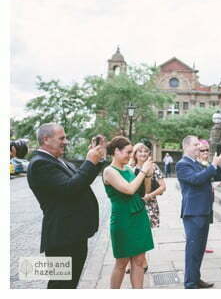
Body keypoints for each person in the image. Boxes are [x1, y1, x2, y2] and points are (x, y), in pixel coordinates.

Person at [26, 123, 106, 288]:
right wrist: (89, 162)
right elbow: (70, 189)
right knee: (60, 286)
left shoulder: (57, 160)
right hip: (62, 237)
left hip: (74, 234)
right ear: (46, 139)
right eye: (62, 138)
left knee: (71, 284)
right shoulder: (40, 164)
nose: (66, 142)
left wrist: (95, 160)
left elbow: (81, 181)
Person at [102, 136, 156, 288]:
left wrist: (148, 174)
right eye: (128, 152)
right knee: (122, 262)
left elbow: (144, 192)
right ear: (116, 151)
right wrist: (143, 170)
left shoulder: (127, 168)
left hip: (139, 216)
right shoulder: (109, 171)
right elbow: (129, 189)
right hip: (123, 220)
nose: (131, 155)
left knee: (139, 261)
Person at [176, 135, 221, 289]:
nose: (199, 147)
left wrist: (220, 165)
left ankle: (195, 278)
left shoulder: (197, 163)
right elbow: (196, 179)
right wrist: (212, 165)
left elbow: (216, 176)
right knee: (193, 249)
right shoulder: (182, 164)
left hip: (204, 210)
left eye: (199, 144)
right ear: (186, 146)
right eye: (196, 144)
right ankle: (190, 283)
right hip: (193, 212)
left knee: (199, 249)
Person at [127, 142, 166, 274]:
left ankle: (141, 261)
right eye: (140, 151)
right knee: (132, 233)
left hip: (149, 205)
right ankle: (134, 262)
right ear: (135, 154)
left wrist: (149, 196)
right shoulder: (129, 168)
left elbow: (163, 187)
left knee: (142, 234)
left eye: (146, 151)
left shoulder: (153, 167)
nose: (143, 153)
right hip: (133, 205)